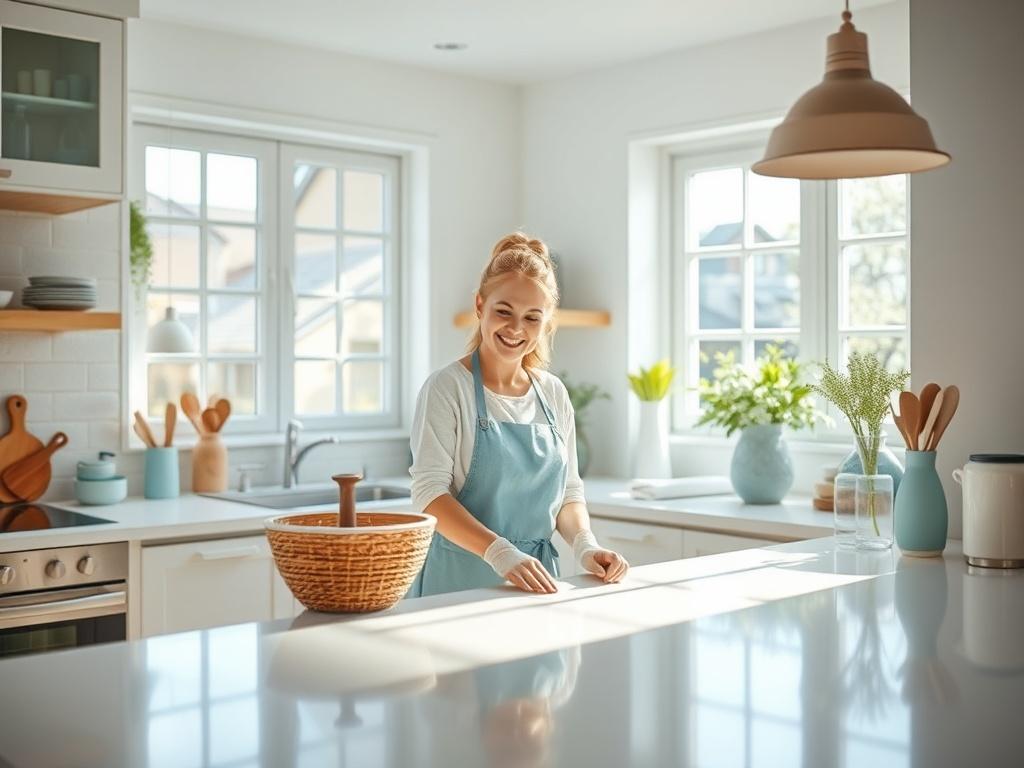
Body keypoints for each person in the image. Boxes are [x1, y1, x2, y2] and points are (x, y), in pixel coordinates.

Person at [407, 232, 629, 597]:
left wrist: (586, 546)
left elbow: (569, 492)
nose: (515, 329)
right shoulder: (447, 388)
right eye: (503, 312)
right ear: (480, 306)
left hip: (537, 583)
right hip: (457, 586)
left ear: (547, 323)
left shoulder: (553, 393)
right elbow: (430, 494)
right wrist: (500, 553)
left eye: (531, 318)